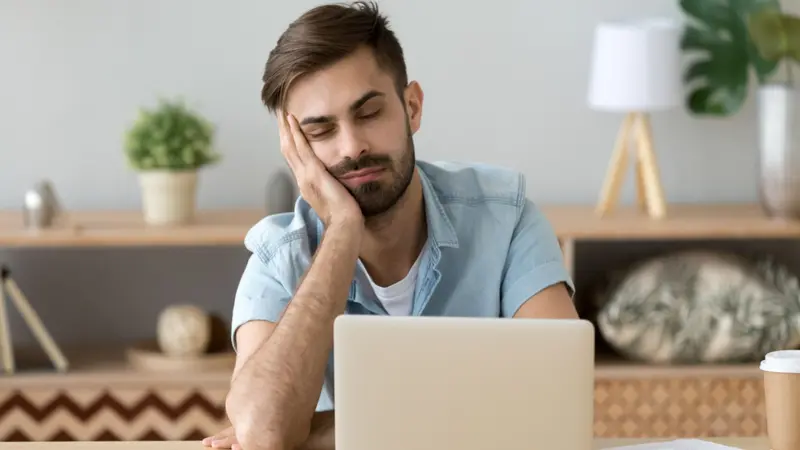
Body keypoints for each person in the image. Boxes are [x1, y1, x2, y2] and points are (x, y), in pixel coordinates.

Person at [202, 2, 578, 449]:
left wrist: (322, 431)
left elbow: (558, 402)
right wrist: (342, 228)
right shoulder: (279, 254)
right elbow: (265, 433)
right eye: (320, 132)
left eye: (369, 114)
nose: (353, 146)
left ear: (412, 107)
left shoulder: (507, 218)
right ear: (295, 150)